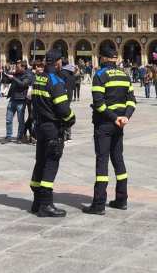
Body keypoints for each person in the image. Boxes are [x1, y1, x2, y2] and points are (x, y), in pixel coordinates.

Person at [83, 45, 136, 214]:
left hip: (104, 124)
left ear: (104, 58)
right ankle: (122, 199)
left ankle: (99, 203)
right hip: (119, 125)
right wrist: (125, 117)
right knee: (118, 159)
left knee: (102, 160)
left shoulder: (100, 75)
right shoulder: (125, 76)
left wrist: (114, 118)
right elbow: (132, 101)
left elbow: (99, 104)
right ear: (115, 59)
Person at [29, 49, 75, 217]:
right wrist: (71, 119)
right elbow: (63, 109)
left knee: (40, 162)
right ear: (57, 63)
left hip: (39, 126)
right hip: (52, 129)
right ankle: (46, 204)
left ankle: (36, 202)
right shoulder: (56, 81)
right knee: (51, 164)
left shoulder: (38, 79)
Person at [4, 62, 33, 142]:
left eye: (18, 67)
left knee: (20, 120)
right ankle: (8, 136)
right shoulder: (16, 74)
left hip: (21, 100)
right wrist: (6, 75)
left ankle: (19, 137)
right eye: (16, 67)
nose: (16, 68)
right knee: (8, 119)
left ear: (23, 67)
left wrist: (13, 78)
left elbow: (23, 84)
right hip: (12, 99)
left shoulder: (28, 75)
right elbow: (6, 81)